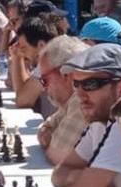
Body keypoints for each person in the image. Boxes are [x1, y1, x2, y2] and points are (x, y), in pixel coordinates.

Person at [51, 43, 121, 187]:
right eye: (77, 84)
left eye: (91, 84)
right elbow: (59, 173)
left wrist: (83, 183)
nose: (80, 95)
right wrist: (76, 177)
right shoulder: (100, 121)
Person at [37, 36, 91, 165]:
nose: (43, 88)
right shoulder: (71, 101)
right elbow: (45, 128)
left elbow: (56, 156)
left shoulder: (82, 98)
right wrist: (51, 134)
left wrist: (51, 137)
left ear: (66, 74)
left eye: (44, 80)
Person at [8, 16, 59, 108]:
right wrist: (17, 57)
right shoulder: (50, 55)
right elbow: (24, 88)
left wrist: (17, 59)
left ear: (41, 45)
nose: (22, 52)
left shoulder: (51, 60)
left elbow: (23, 101)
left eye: (24, 48)